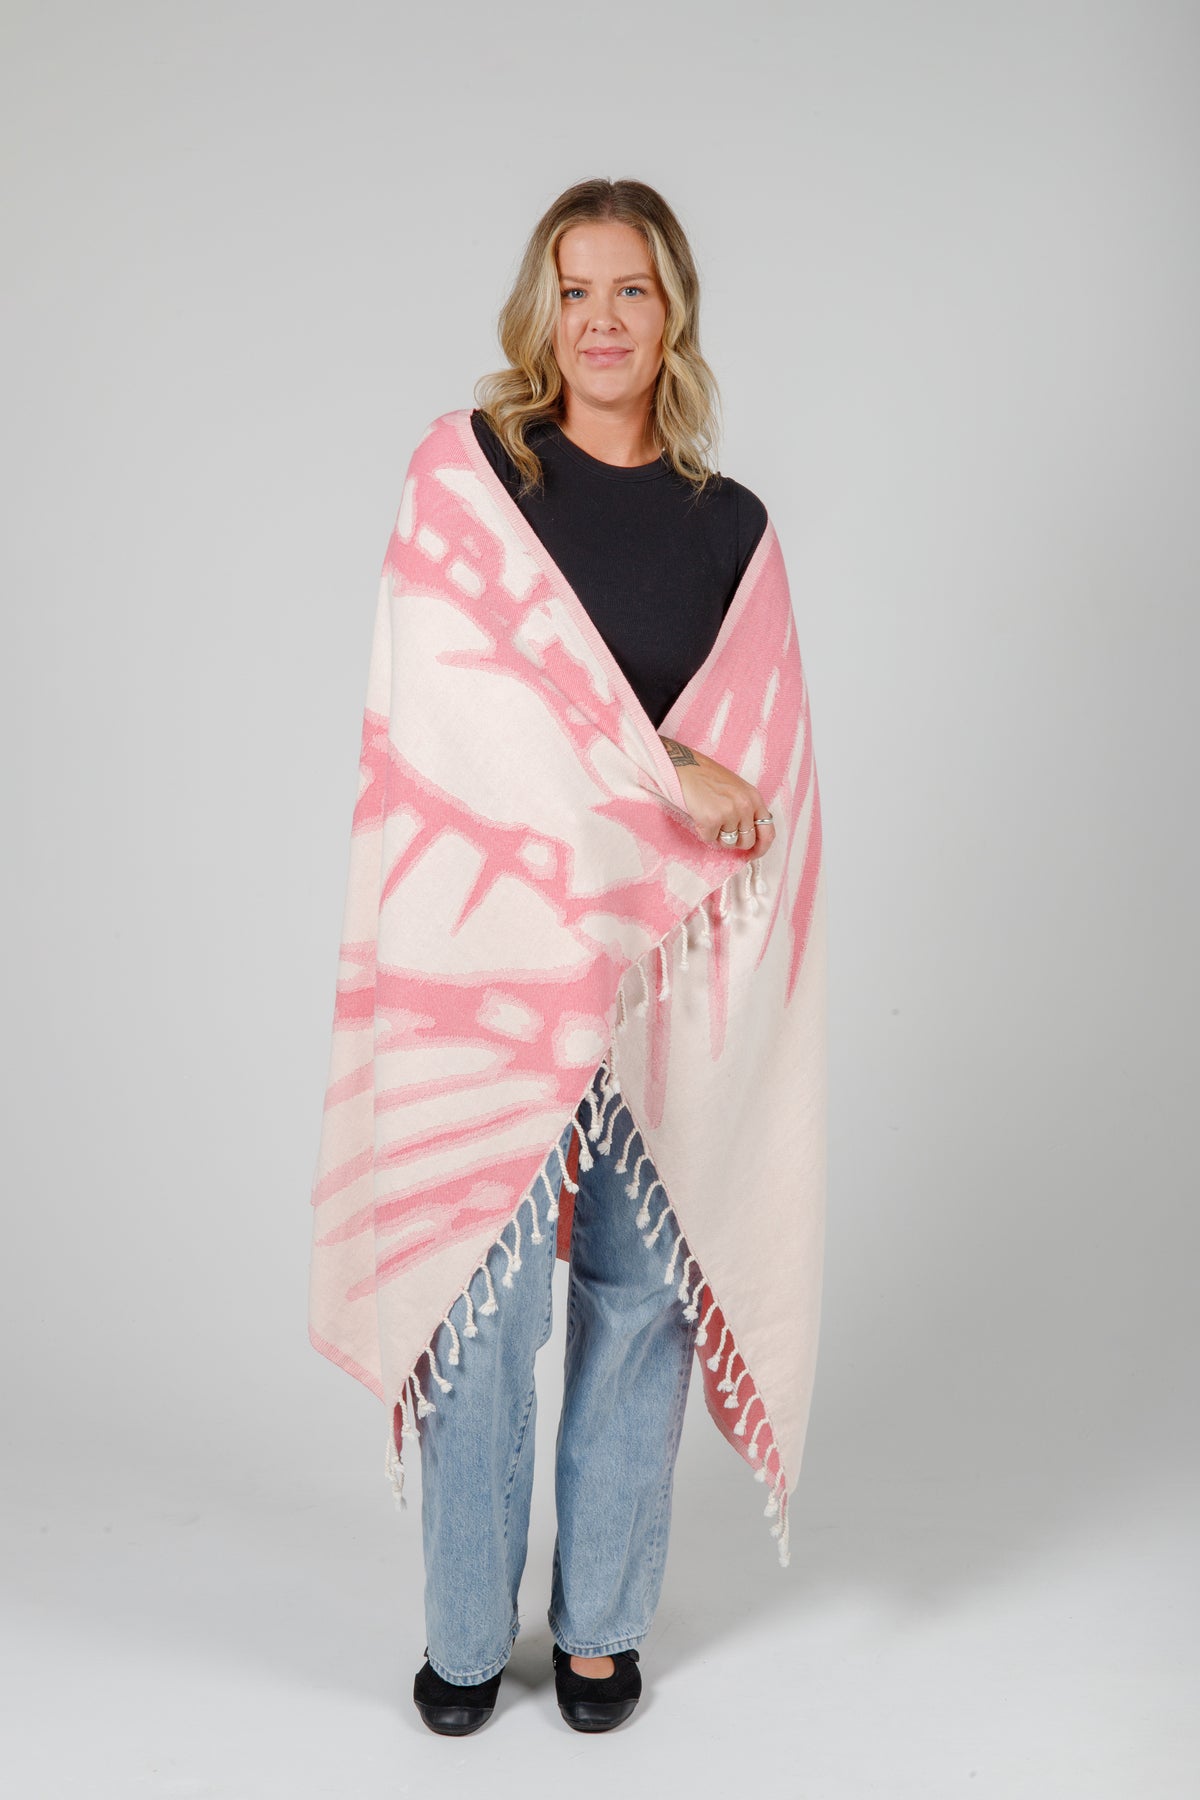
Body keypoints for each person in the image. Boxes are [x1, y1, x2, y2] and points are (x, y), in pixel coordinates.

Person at [407, 177, 778, 1736]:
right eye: (575, 290)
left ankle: (604, 1624)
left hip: (660, 969)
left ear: (670, 308)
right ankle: (464, 1631)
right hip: (496, 962)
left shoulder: (729, 524)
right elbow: (463, 703)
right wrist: (666, 770)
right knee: (484, 1306)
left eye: (630, 289)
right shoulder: (478, 478)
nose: (602, 320)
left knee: (640, 1294)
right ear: (542, 309)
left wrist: (698, 791)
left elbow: (762, 767)